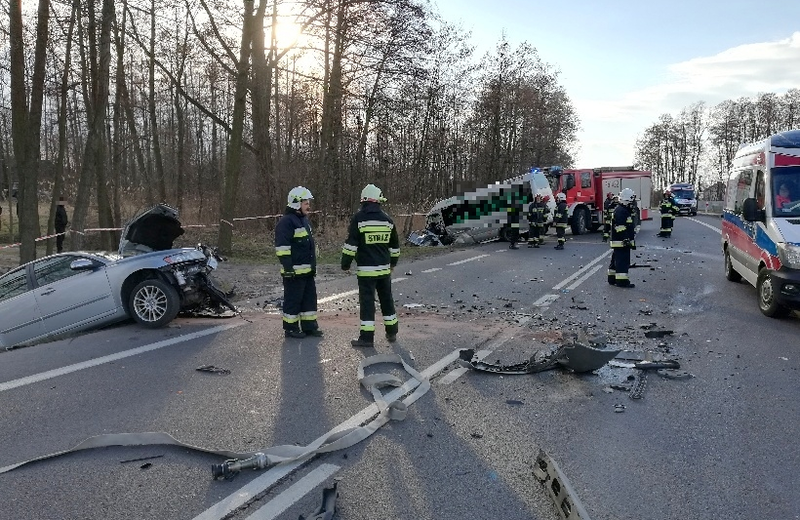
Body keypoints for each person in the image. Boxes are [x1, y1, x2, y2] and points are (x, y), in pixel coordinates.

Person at [342, 184, 400, 348]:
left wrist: (345, 264)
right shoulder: (388, 220)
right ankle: (392, 332)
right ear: (378, 201)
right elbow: (395, 248)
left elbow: (351, 245)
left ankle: (367, 338)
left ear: (364, 201)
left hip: (366, 271)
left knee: (368, 303)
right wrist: (392, 264)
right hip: (383, 270)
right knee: (387, 300)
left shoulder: (359, 219)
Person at [275, 186, 323, 339]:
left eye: (308, 202)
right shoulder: (286, 222)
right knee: (293, 301)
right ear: (296, 204)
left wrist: (312, 267)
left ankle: (310, 327)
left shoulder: (303, 221)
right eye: (305, 203)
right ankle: (291, 328)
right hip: (294, 272)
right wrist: (288, 268)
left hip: (307, 271)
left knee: (309, 300)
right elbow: (282, 248)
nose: (308, 206)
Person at [608, 188, 637, 288]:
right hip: (622, 242)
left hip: (619, 242)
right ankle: (622, 281)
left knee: (616, 260)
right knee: (623, 262)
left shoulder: (622, 210)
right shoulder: (621, 211)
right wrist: (626, 239)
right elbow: (620, 227)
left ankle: (612, 278)